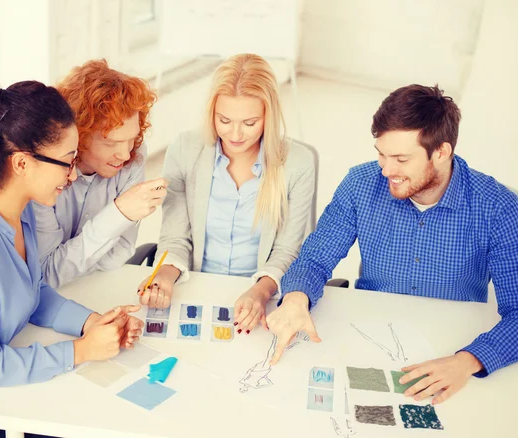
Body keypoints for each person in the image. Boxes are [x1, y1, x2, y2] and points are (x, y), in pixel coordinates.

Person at [268, 84, 518, 405]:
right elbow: (316, 258)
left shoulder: (498, 207)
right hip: (370, 334)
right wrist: (296, 296)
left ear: (441, 152)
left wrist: (468, 360)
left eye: (400, 158)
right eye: (381, 154)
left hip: (453, 343)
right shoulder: (361, 183)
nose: (386, 170)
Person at [0, 80, 142, 437]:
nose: (72, 175)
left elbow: (33, 289)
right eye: (67, 162)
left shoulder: (20, 212)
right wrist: (80, 351)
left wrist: (89, 323)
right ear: (22, 163)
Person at [137, 53, 316, 334]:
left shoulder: (298, 163)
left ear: (269, 115)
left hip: (261, 293)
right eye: (224, 119)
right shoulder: (185, 150)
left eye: (249, 122)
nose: (235, 134)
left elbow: (287, 250)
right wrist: (164, 276)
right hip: (195, 286)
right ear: (212, 112)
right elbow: (175, 237)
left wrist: (260, 292)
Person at [34, 59, 167, 288]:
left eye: (131, 138)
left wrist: (70, 261)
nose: (125, 155)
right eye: (110, 143)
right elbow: (47, 273)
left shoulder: (133, 156)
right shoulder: (45, 172)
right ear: (79, 136)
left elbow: (119, 255)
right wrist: (119, 213)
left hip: (98, 288)